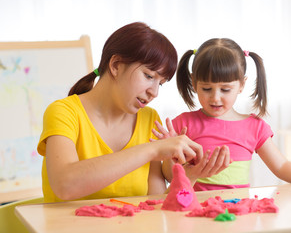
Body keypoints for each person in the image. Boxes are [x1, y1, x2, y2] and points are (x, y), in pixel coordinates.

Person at [37, 22, 228, 203]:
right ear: (116, 66)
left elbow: (155, 204)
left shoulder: (149, 119)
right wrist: (152, 150)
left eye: (160, 83)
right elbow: (65, 185)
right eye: (148, 76)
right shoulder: (63, 112)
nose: (154, 92)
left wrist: (189, 176)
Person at [154, 38, 291, 191]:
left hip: (238, 214)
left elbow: (282, 167)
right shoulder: (182, 125)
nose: (215, 98)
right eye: (206, 88)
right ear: (194, 83)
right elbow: (170, 177)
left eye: (225, 89)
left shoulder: (255, 127)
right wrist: (172, 154)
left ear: (241, 85)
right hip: (194, 215)